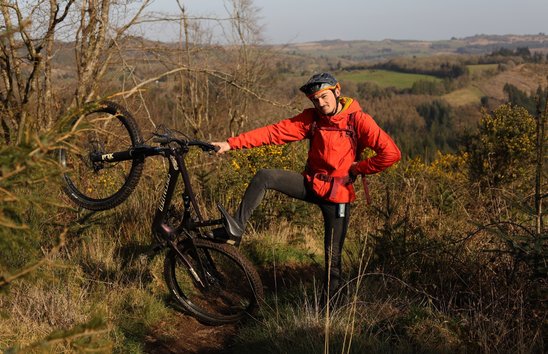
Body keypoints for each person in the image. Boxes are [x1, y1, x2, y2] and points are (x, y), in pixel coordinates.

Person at [212, 72, 401, 307]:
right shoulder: (312, 119)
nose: (320, 103)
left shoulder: (358, 120)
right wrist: (230, 144)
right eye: (315, 100)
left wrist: (359, 168)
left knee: (333, 259)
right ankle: (235, 229)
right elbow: (273, 133)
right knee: (265, 176)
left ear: (337, 91)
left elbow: (391, 153)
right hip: (310, 184)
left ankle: (330, 311)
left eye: (324, 97)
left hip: (337, 197)